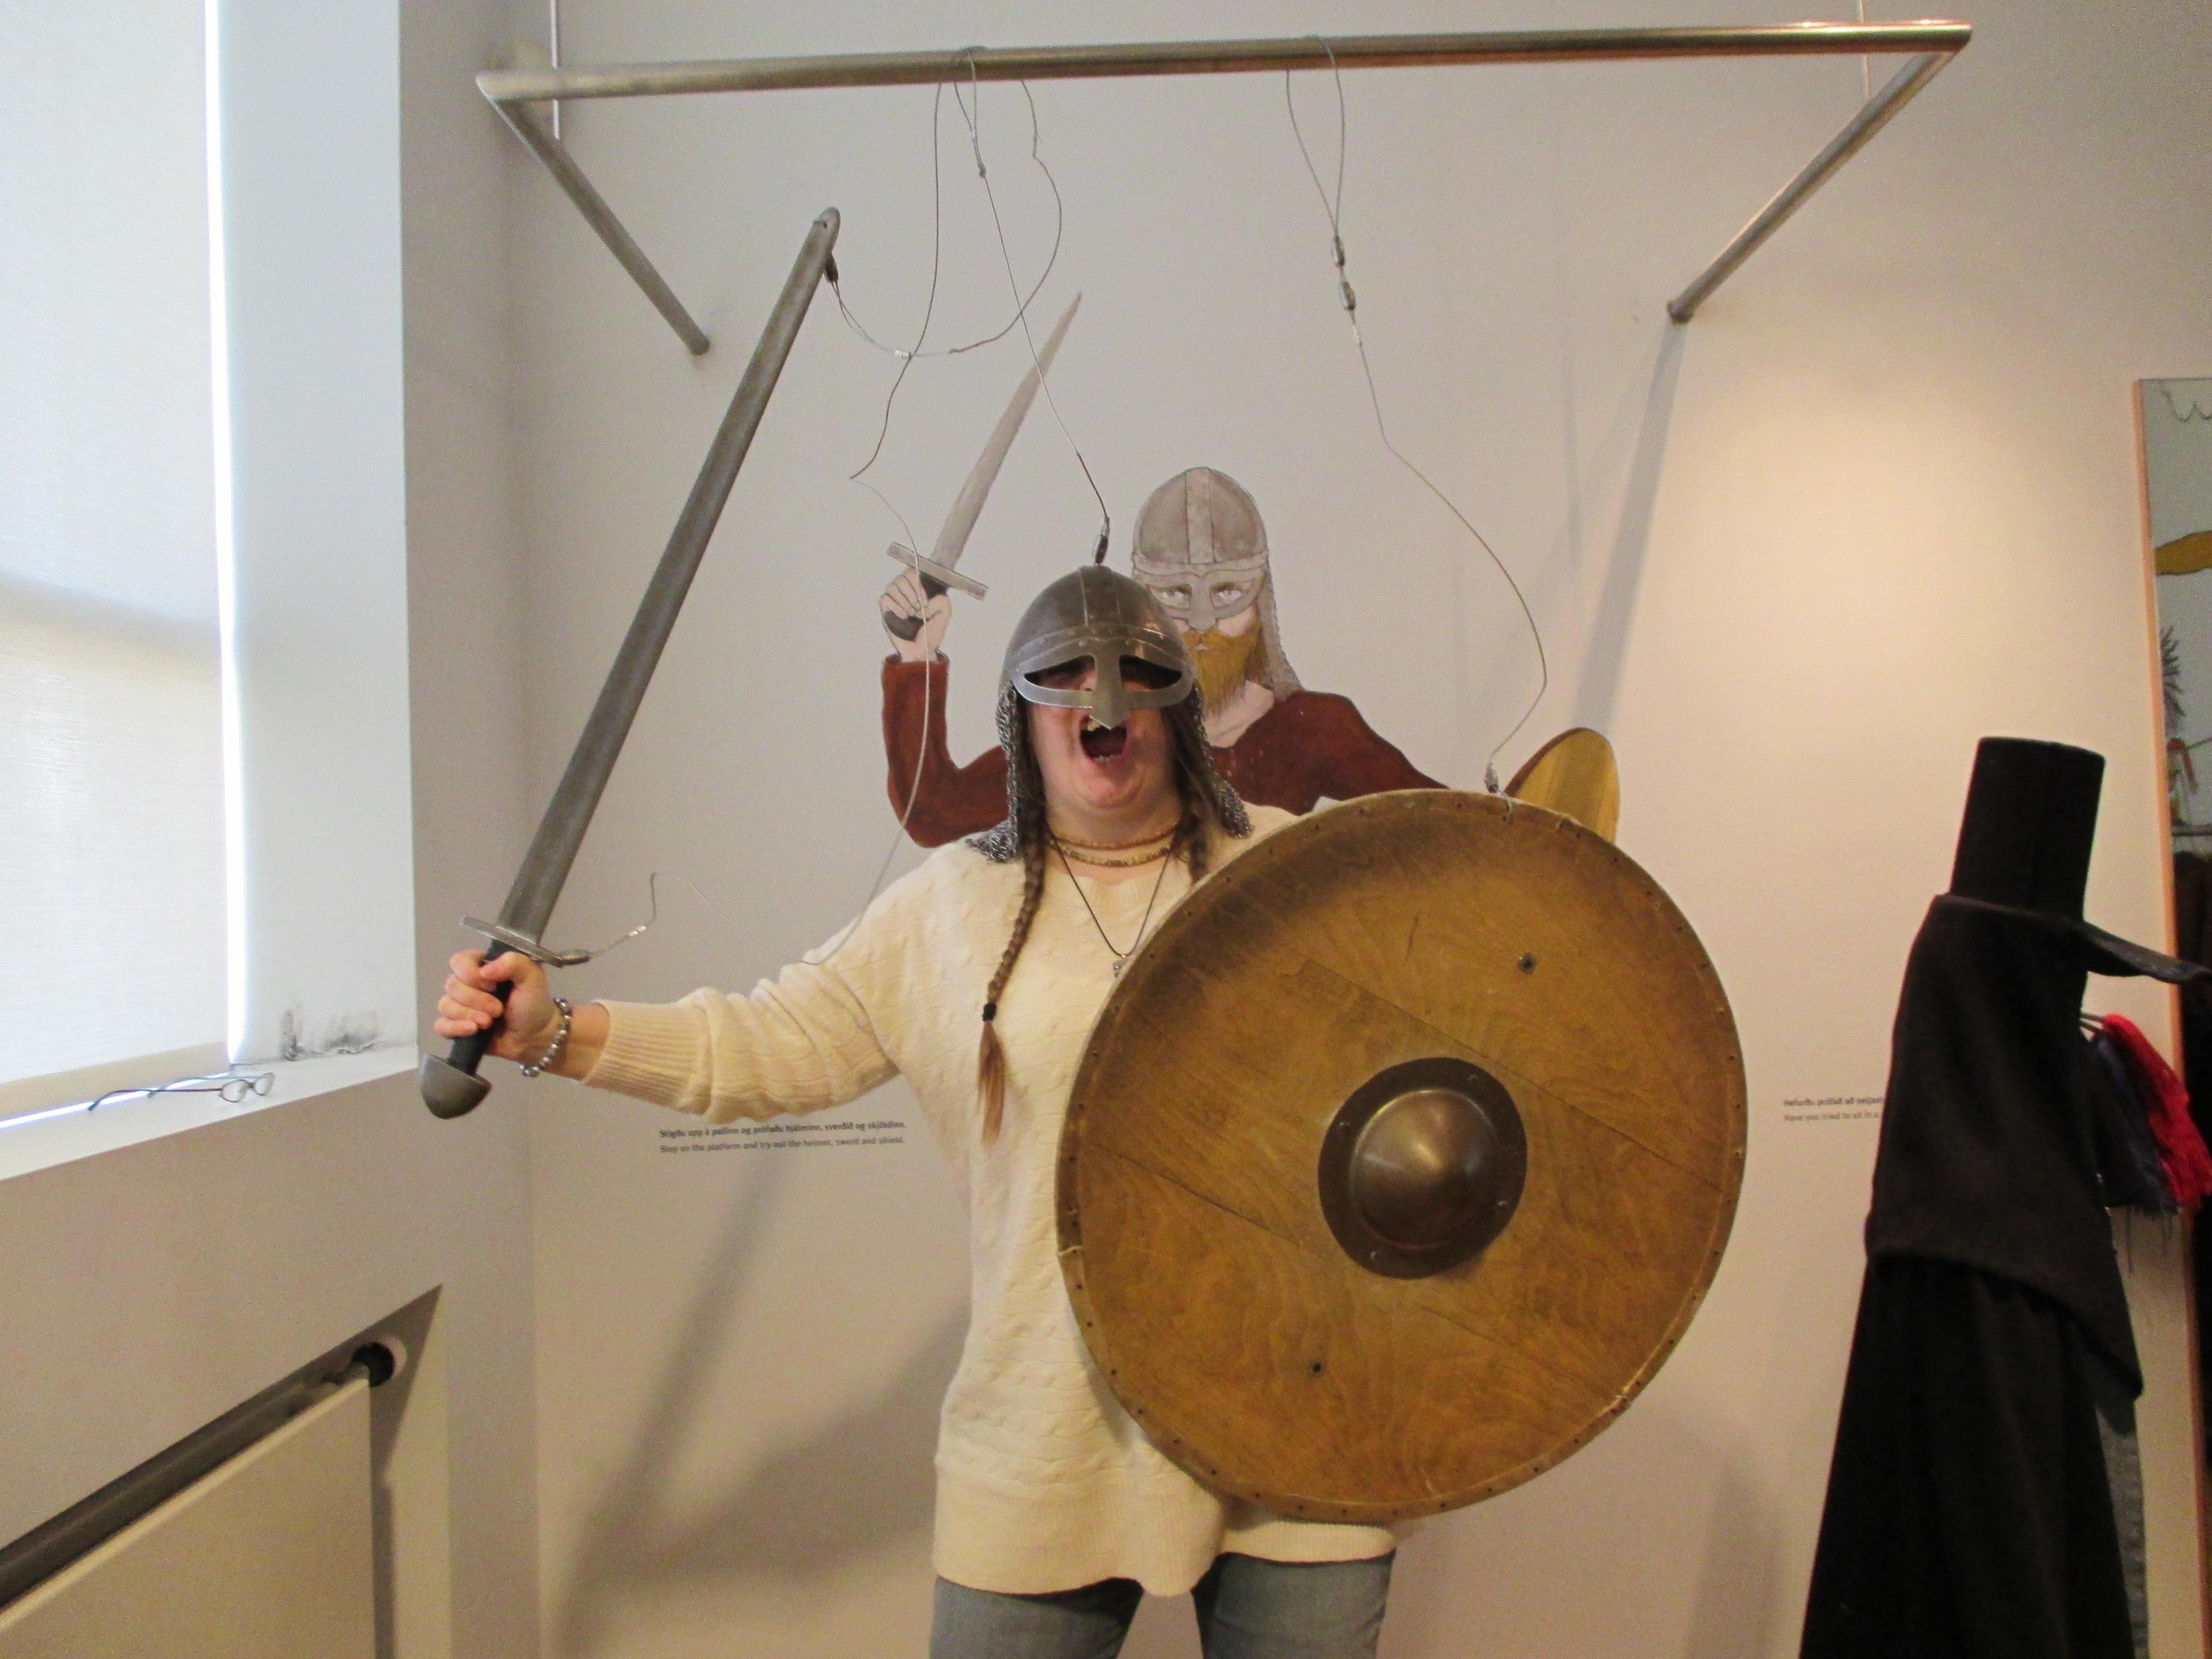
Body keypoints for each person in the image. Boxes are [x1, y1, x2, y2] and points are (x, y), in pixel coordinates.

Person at [438, 563, 1399, 1658]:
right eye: (1065, 677)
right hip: (1049, 1426)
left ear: (1179, 706)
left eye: (1139, 676)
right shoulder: (952, 903)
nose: (1104, 703)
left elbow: (1469, 1033)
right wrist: (554, 1033)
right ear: (1021, 714)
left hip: (1298, 1410)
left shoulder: (1294, 866)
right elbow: (765, 1041)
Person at [880, 468, 1440, 846]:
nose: (1202, 623)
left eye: (1226, 593)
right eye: (1175, 596)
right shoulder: (1107, 732)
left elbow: (1441, 822)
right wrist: (916, 660)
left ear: (1260, 601)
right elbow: (934, 812)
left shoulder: (1314, 729)